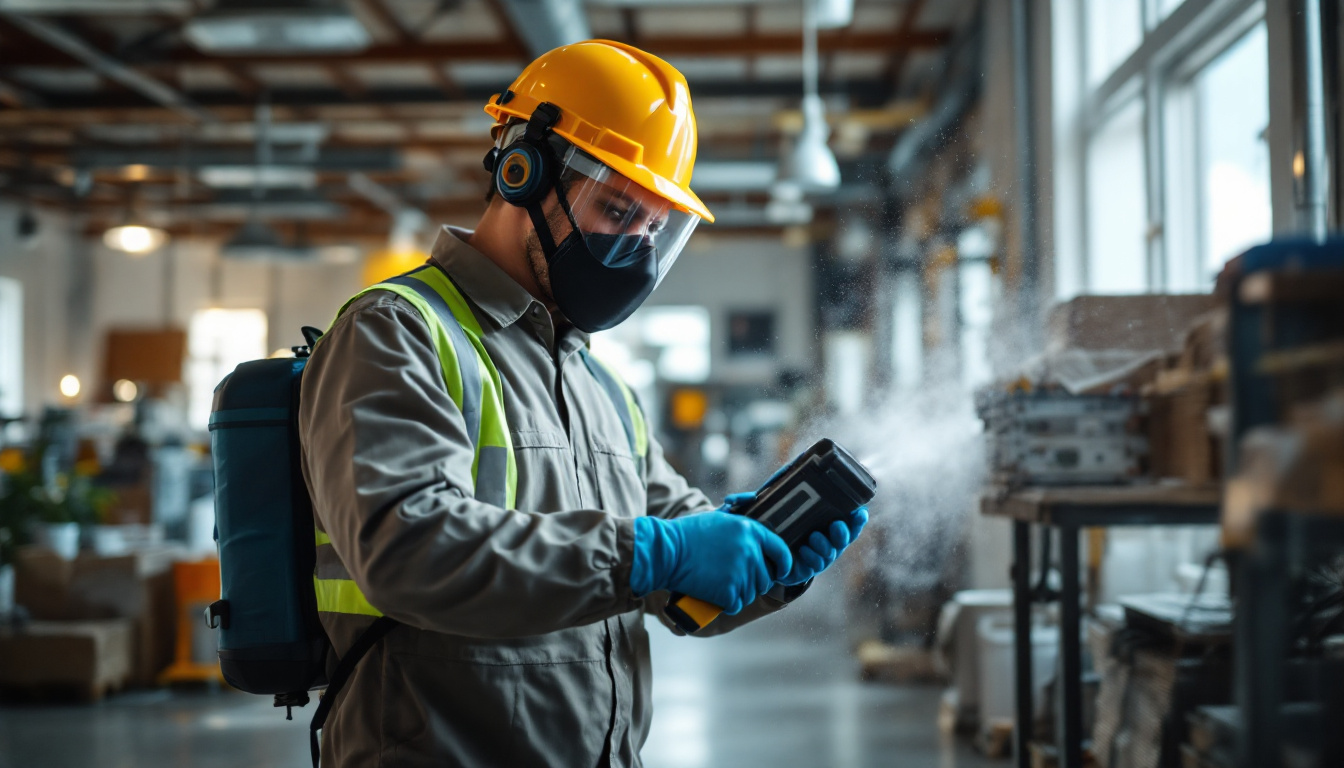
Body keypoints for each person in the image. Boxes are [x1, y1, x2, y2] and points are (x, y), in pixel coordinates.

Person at [299, 39, 869, 767]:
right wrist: (653, 553)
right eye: (618, 209)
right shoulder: (398, 331)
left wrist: (772, 558)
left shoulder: (599, 384)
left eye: (654, 229)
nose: (635, 246)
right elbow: (408, 550)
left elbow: (676, 577)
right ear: (521, 172)